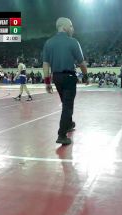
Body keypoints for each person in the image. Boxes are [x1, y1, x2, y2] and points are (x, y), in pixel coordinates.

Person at [42, 17, 88, 145]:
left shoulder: (49, 43)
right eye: (71, 26)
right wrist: (85, 76)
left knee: (65, 102)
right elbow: (82, 63)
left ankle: (69, 123)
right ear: (64, 26)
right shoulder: (73, 42)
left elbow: (45, 64)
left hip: (56, 77)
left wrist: (47, 82)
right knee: (68, 106)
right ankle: (61, 135)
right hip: (69, 77)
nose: (73, 28)